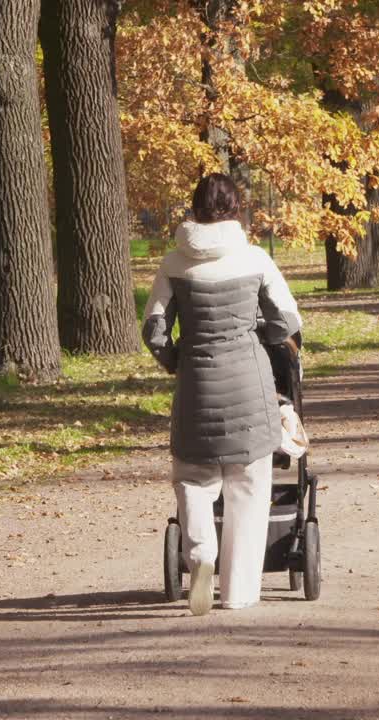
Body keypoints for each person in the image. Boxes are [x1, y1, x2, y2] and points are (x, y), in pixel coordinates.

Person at [141, 174, 302, 616]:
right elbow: (286, 321)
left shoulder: (174, 263)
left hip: (196, 386)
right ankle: (237, 594)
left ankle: (200, 556)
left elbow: (154, 330)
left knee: (193, 480)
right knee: (248, 492)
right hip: (250, 386)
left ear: (194, 208)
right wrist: (259, 337)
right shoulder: (255, 259)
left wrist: (177, 361)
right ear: (236, 207)